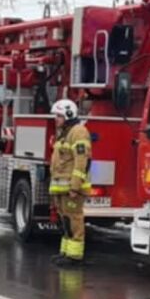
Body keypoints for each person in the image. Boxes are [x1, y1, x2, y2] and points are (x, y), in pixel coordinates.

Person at [48, 99, 91, 267]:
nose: (56, 119)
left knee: (74, 220)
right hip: (62, 189)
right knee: (65, 220)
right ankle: (66, 252)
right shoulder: (64, 133)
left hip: (72, 189)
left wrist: (75, 186)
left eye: (58, 116)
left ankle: (74, 257)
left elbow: (81, 161)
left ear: (68, 115)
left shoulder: (78, 132)